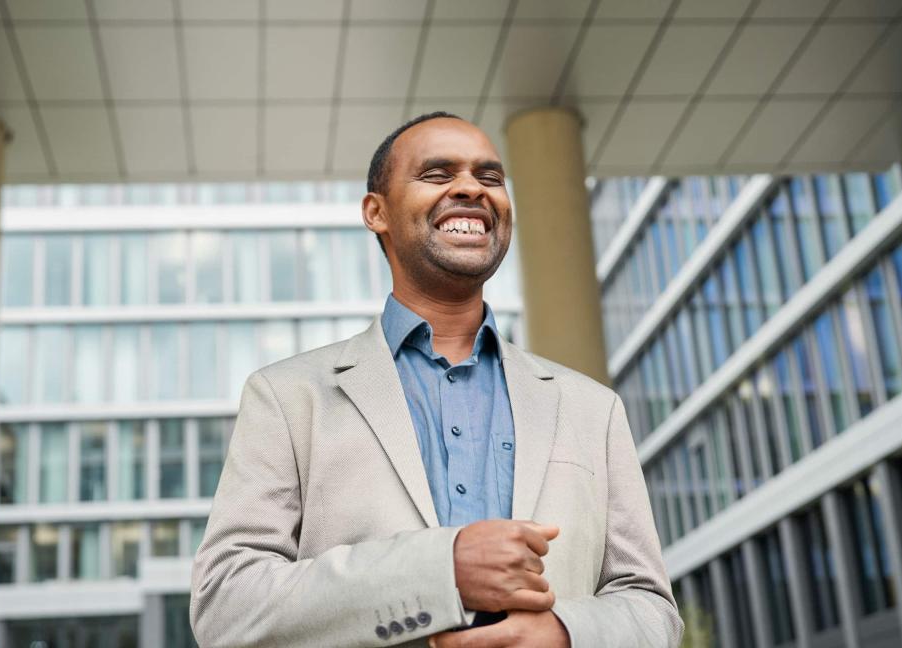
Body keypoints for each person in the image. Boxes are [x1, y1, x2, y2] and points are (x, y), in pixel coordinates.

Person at [190, 112, 682, 648]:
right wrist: (438, 571)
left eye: (490, 177)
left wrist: (565, 634)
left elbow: (651, 607)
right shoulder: (287, 397)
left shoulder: (594, 407)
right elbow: (225, 604)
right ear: (376, 212)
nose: (471, 187)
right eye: (437, 174)